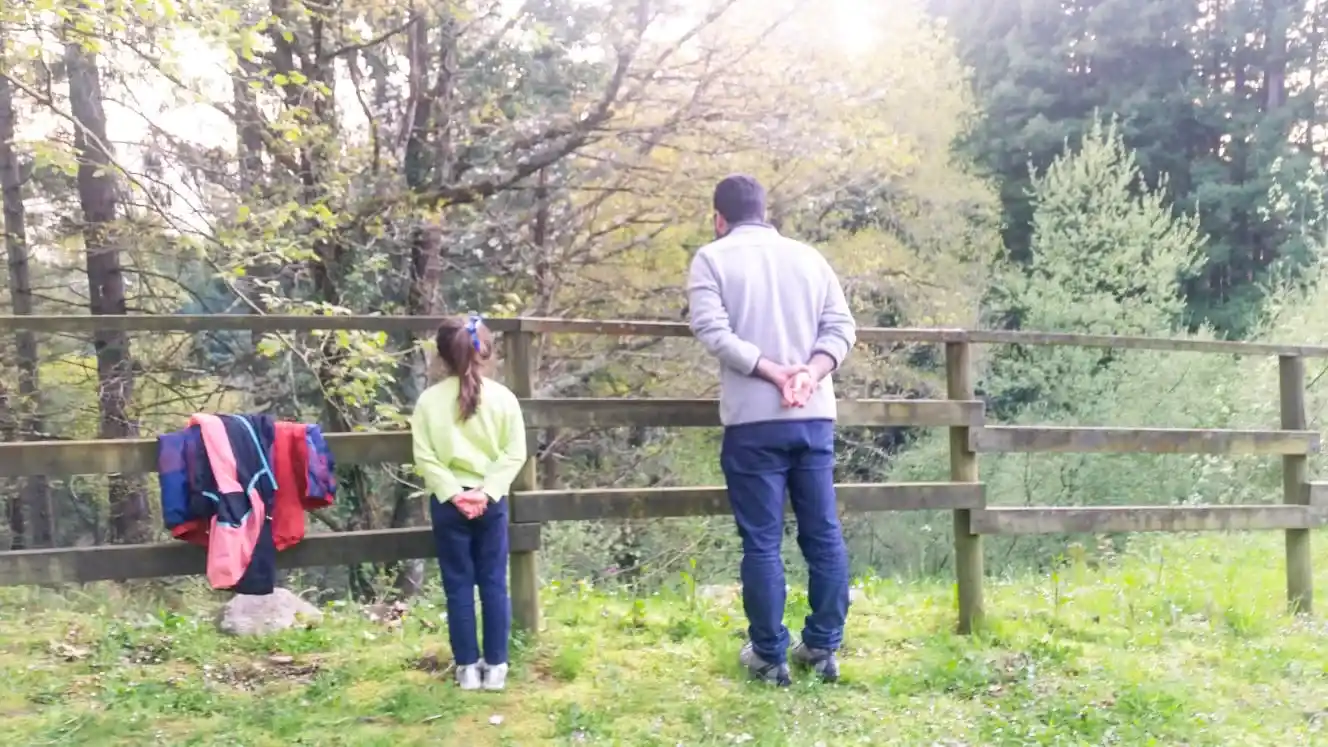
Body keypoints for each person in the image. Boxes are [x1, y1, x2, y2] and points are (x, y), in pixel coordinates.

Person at [687, 175, 857, 686]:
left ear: (720, 218)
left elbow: (712, 331)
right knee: (823, 535)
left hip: (753, 419)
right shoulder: (809, 258)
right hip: (813, 415)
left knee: (761, 542)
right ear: (766, 211)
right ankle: (824, 646)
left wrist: (772, 371)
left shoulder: (711, 259)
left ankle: (768, 654)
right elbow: (841, 328)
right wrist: (810, 372)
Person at [411, 314, 528, 691]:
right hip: (490, 504)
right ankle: (496, 667)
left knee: (458, 585)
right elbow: (515, 453)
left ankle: (466, 667)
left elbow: (424, 456)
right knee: (494, 582)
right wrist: (487, 491)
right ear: (487, 352)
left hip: (449, 505)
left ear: (442, 356)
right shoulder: (505, 399)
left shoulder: (428, 402)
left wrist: (453, 493)